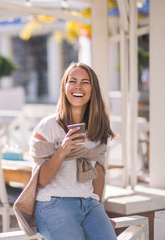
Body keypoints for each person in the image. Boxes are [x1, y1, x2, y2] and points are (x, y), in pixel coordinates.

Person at [14, 62, 116, 240]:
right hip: (54, 203)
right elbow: (42, 180)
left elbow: (99, 172)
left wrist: (100, 209)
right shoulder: (48, 126)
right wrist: (62, 151)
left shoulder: (98, 128)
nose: (78, 86)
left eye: (85, 82)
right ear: (65, 86)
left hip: (89, 204)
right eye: (73, 81)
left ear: (93, 89)